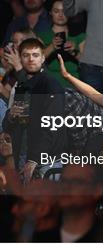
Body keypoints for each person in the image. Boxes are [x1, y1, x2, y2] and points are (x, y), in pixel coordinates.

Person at [3, 38, 66, 182]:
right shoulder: (22, 84)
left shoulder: (50, 84)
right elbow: (9, 125)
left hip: (46, 160)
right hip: (24, 154)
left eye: (35, 55)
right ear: (20, 58)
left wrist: (34, 160)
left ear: (43, 58)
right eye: (26, 55)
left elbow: (53, 126)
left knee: (47, 202)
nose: (31, 59)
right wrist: (11, 116)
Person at [38, 0, 85, 87]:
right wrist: (52, 47)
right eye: (56, 11)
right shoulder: (42, 36)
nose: (60, 15)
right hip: (51, 83)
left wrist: (73, 52)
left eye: (65, 11)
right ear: (50, 13)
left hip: (74, 83)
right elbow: (36, 61)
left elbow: (88, 64)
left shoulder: (79, 36)